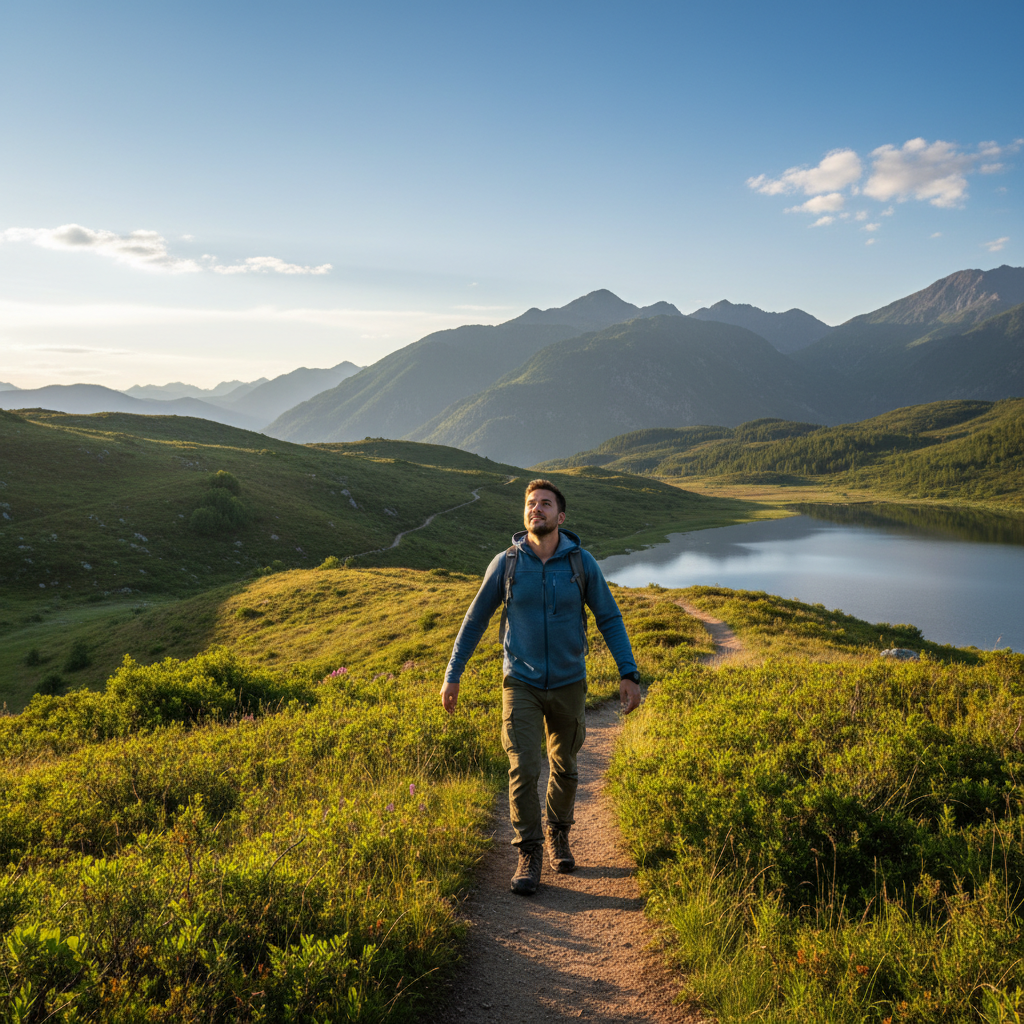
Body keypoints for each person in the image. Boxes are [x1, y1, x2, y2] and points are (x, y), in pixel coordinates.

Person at [440, 478, 641, 896]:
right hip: (521, 682)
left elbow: (609, 618)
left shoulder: (581, 563)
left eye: (545, 504)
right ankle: (529, 851)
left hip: (570, 682)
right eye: (531, 504)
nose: (537, 509)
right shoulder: (507, 563)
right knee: (523, 767)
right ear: (525, 514)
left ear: (560, 516)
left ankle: (558, 834)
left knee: (565, 767)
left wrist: (628, 672)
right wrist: (452, 674)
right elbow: (474, 621)